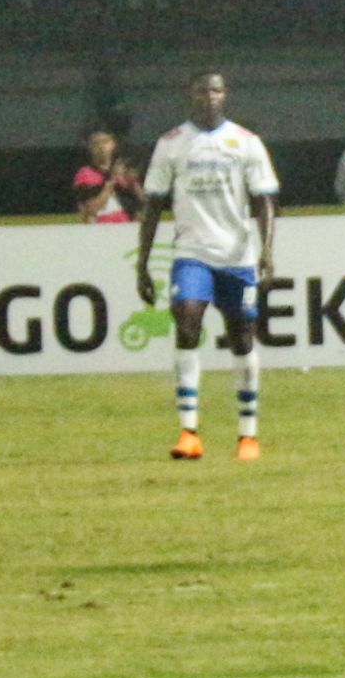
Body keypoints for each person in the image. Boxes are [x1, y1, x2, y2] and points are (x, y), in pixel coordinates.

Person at [134, 69, 279, 463]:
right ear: (191, 96)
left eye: (215, 90)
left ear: (224, 95)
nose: (209, 97)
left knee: (242, 337)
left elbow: (264, 200)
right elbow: (154, 206)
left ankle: (248, 434)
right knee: (186, 320)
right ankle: (188, 431)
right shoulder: (172, 144)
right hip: (192, 253)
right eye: (202, 90)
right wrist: (142, 264)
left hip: (236, 256)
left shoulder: (245, 142)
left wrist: (267, 251)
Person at [74, 128, 144, 224]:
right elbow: (91, 210)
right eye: (96, 143)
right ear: (90, 148)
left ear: (113, 144)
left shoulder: (124, 171)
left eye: (105, 142)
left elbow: (144, 203)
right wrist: (112, 180)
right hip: (102, 229)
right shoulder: (85, 174)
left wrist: (134, 184)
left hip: (127, 227)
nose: (101, 147)